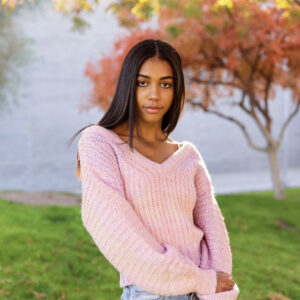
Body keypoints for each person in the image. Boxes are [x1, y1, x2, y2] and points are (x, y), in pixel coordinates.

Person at [68, 39, 240, 300]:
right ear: (129, 85)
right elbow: (117, 231)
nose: (154, 94)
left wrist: (217, 291)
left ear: (176, 90)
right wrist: (200, 279)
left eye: (166, 84)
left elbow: (213, 230)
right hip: (150, 293)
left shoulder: (187, 156)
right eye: (143, 82)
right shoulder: (100, 143)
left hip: (202, 293)